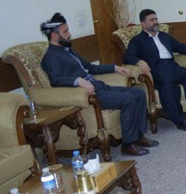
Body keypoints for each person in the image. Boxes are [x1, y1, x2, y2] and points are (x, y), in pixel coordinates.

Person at [39, 13, 156, 156]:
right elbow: (55, 80)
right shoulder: (50, 57)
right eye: (65, 31)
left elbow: (90, 68)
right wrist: (78, 81)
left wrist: (115, 68)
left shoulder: (68, 50)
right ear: (54, 35)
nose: (69, 34)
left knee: (138, 93)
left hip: (98, 86)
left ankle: (138, 136)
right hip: (88, 94)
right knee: (129, 99)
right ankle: (128, 144)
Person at [124, 9, 186, 131]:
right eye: (151, 20)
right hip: (156, 70)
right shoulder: (137, 40)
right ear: (143, 24)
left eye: (156, 19)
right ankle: (180, 120)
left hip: (173, 66)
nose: (155, 22)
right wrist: (139, 61)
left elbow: (179, 46)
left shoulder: (164, 36)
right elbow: (128, 56)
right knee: (167, 84)